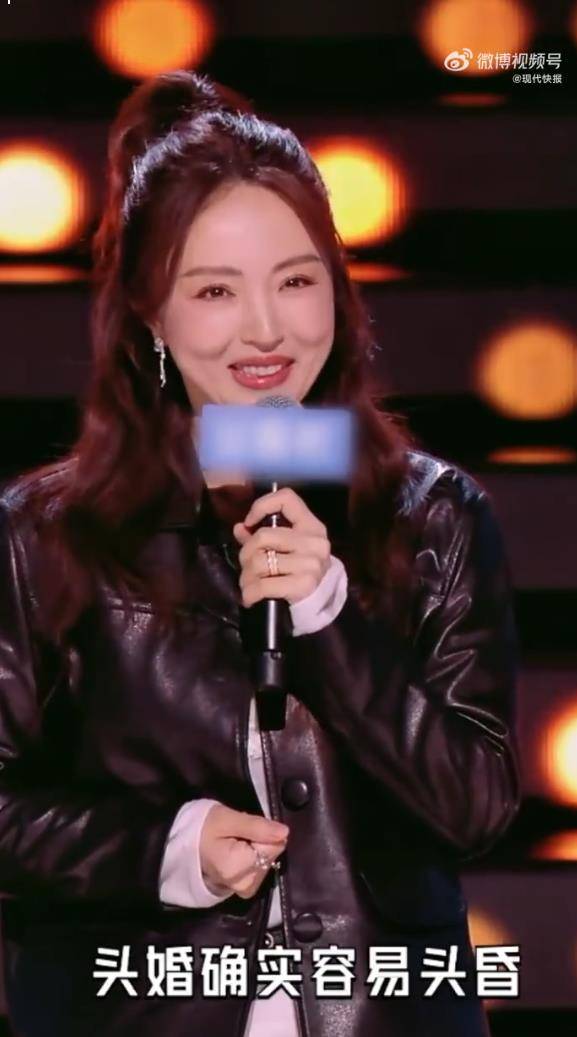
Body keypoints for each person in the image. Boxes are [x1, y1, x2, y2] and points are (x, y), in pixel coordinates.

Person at [0, 70, 521, 1037]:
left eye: (296, 280)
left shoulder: (433, 516)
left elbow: (476, 806)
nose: (267, 329)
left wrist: (329, 622)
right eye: (214, 290)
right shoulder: (45, 535)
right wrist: (164, 849)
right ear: (149, 313)